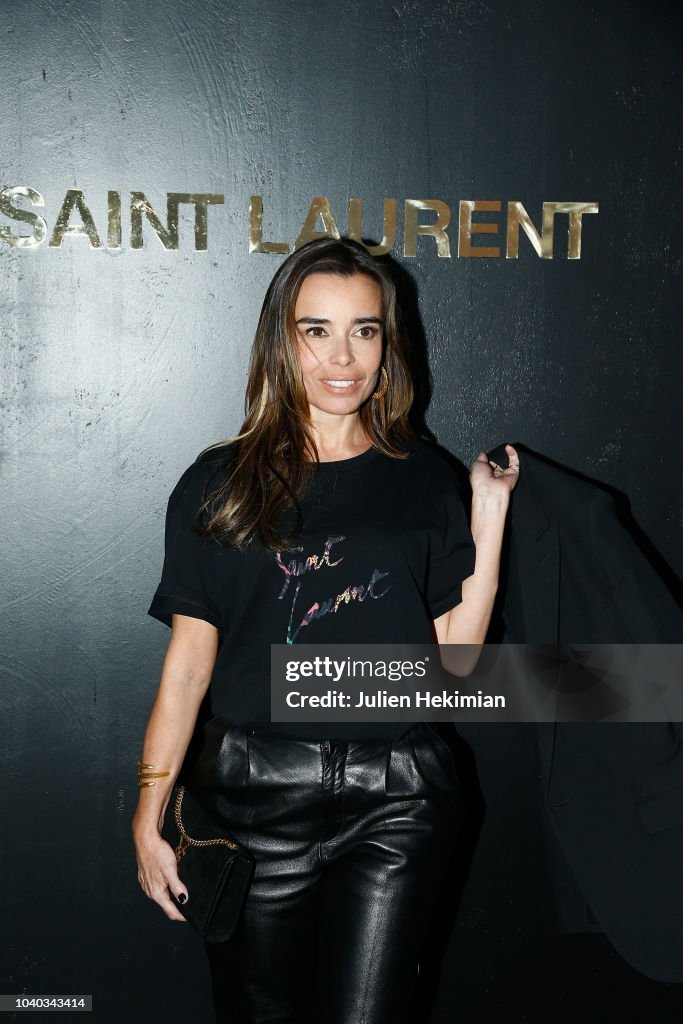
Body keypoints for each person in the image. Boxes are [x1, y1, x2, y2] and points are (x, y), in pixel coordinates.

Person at [131, 236, 520, 1023]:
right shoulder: (220, 482)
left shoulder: (423, 477)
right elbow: (187, 668)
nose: (342, 356)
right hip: (252, 801)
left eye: (364, 330)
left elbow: (459, 664)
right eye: (316, 330)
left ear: (388, 343)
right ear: (283, 339)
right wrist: (148, 814)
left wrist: (489, 508)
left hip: (399, 798)